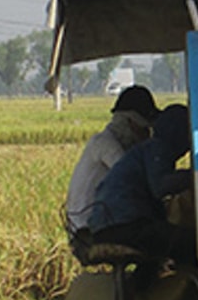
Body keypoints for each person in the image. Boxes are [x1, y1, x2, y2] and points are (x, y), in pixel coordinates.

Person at [86, 104, 193, 265]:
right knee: (191, 242)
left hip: (107, 226)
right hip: (123, 226)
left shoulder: (146, 149)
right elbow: (160, 187)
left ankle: (141, 286)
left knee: (165, 238)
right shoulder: (158, 148)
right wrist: (193, 176)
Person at [65, 85, 161, 234]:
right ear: (129, 123)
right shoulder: (104, 144)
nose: (146, 135)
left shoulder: (113, 143)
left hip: (100, 219)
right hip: (86, 226)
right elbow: (132, 177)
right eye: (144, 129)